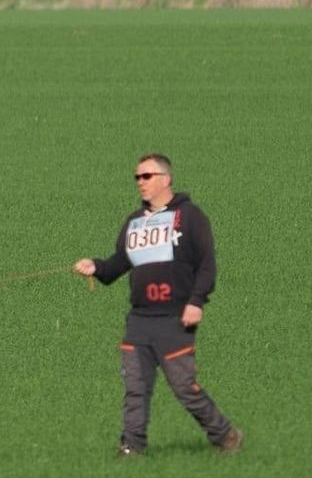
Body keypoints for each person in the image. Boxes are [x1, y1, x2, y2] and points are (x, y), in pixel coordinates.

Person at [73, 153, 243, 456]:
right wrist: (95, 267)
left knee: (183, 388)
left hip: (174, 319)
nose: (140, 182)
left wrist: (196, 302)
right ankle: (132, 447)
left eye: (147, 176)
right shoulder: (134, 222)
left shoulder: (191, 217)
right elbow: (119, 264)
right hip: (139, 320)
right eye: (137, 177)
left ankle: (225, 435)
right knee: (135, 389)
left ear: (166, 179)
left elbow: (207, 264)